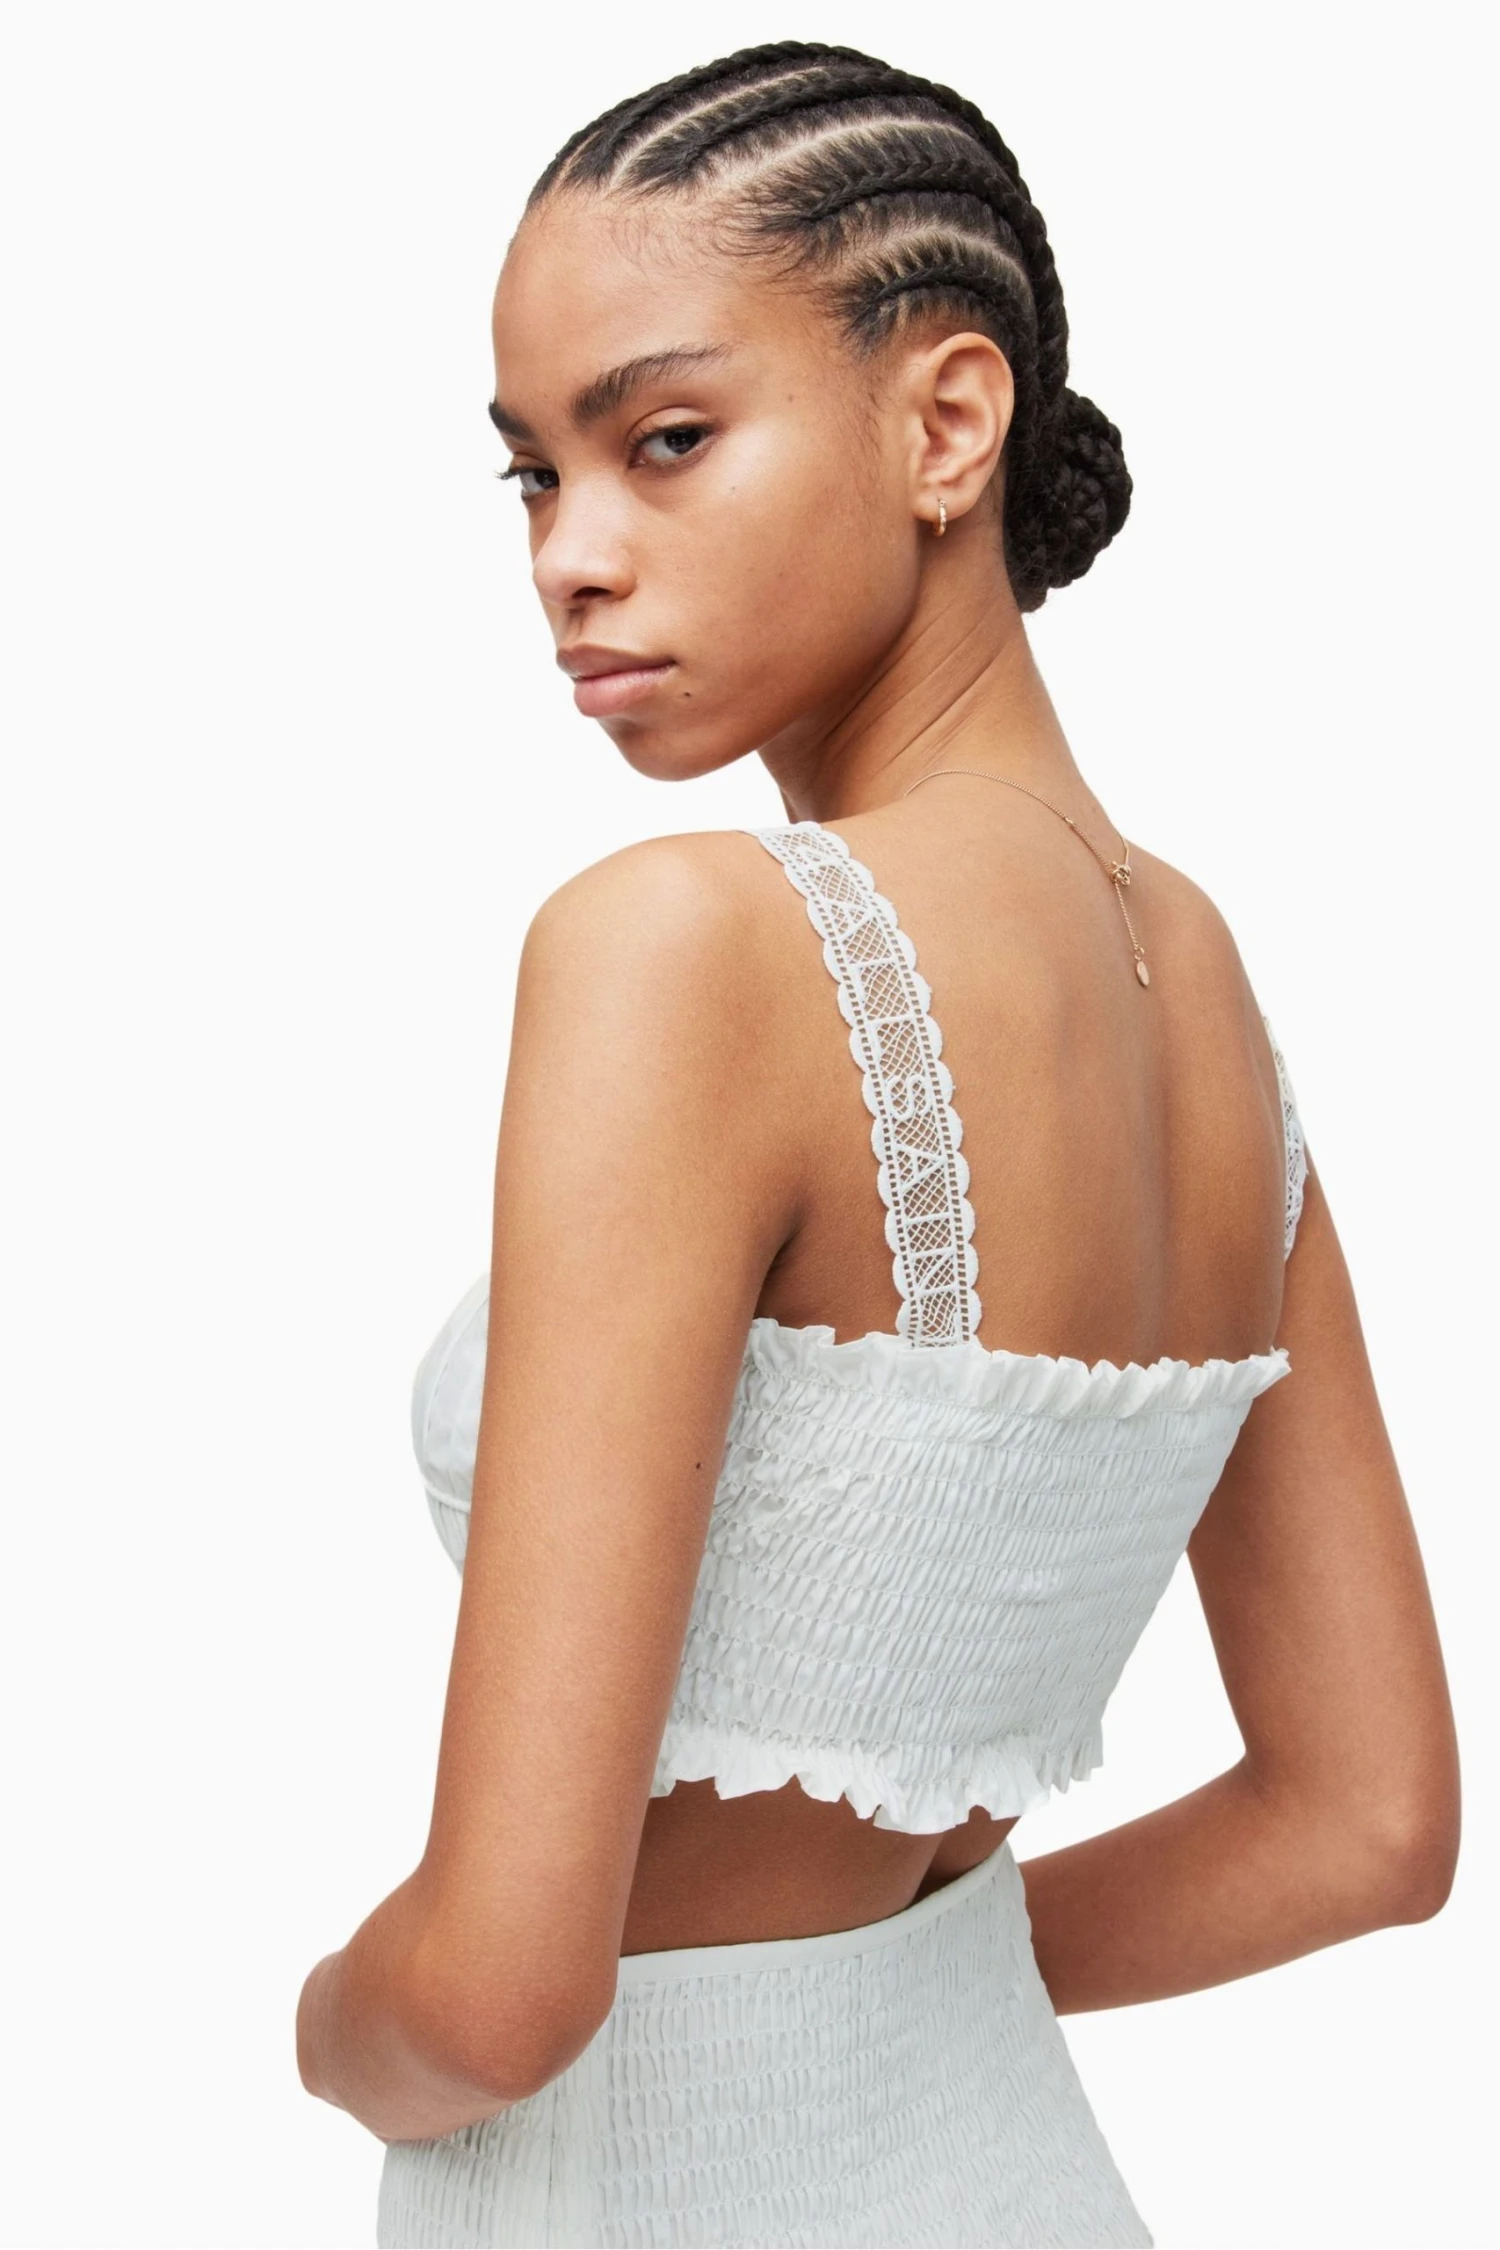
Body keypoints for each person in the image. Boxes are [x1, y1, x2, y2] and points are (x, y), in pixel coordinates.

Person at [295, 41, 1460, 2248]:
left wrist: (326, 2026)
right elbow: (1367, 1820)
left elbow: (496, 1991)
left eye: (664, 440)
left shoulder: (683, 951)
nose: (570, 557)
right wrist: (900, 1999)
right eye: (531, 475)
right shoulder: (1208, 989)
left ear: (947, 423)